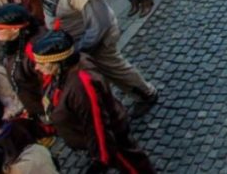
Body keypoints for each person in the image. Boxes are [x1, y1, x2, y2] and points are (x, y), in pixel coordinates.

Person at [28, 0, 159, 113]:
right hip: (72, 37)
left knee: (114, 69)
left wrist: (78, 50)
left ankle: (146, 93)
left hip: (92, 40)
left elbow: (99, 25)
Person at [31, 30, 154, 173]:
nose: (36, 68)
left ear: (58, 63)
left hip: (112, 140)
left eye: (41, 63)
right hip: (94, 139)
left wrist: (101, 158)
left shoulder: (82, 83)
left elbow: (96, 122)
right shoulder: (65, 74)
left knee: (135, 168)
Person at [0, 3, 46, 120]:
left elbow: (48, 84)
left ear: (15, 29)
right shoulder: (15, 43)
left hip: (46, 109)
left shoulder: (35, 51)